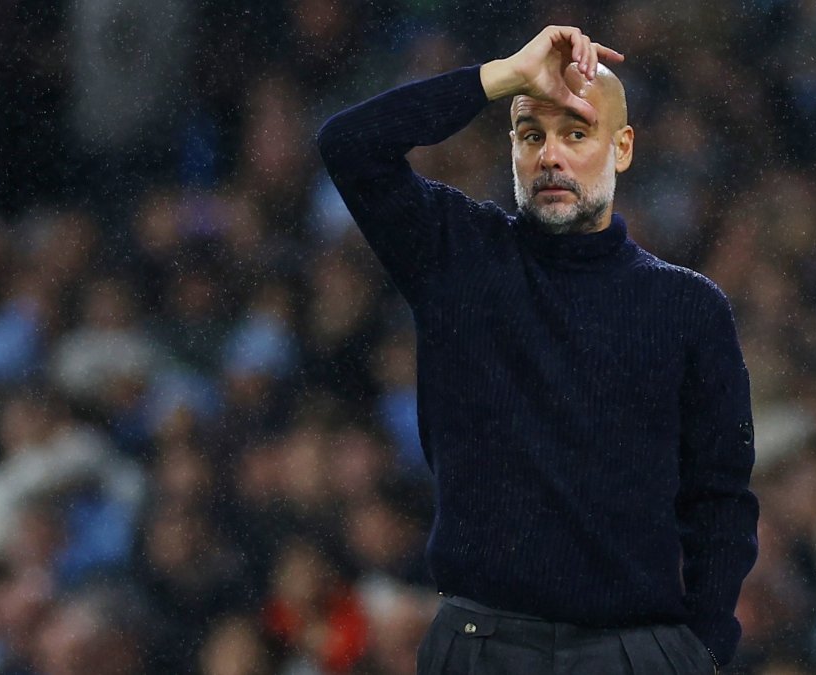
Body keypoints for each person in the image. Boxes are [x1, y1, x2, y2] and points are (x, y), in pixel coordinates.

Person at [317, 25, 758, 674]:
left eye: (576, 132)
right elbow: (349, 145)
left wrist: (701, 648)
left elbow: (721, 500)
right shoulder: (459, 256)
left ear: (623, 147)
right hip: (484, 642)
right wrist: (500, 76)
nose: (550, 155)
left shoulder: (690, 308)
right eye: (530, 134)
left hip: (638, 648)